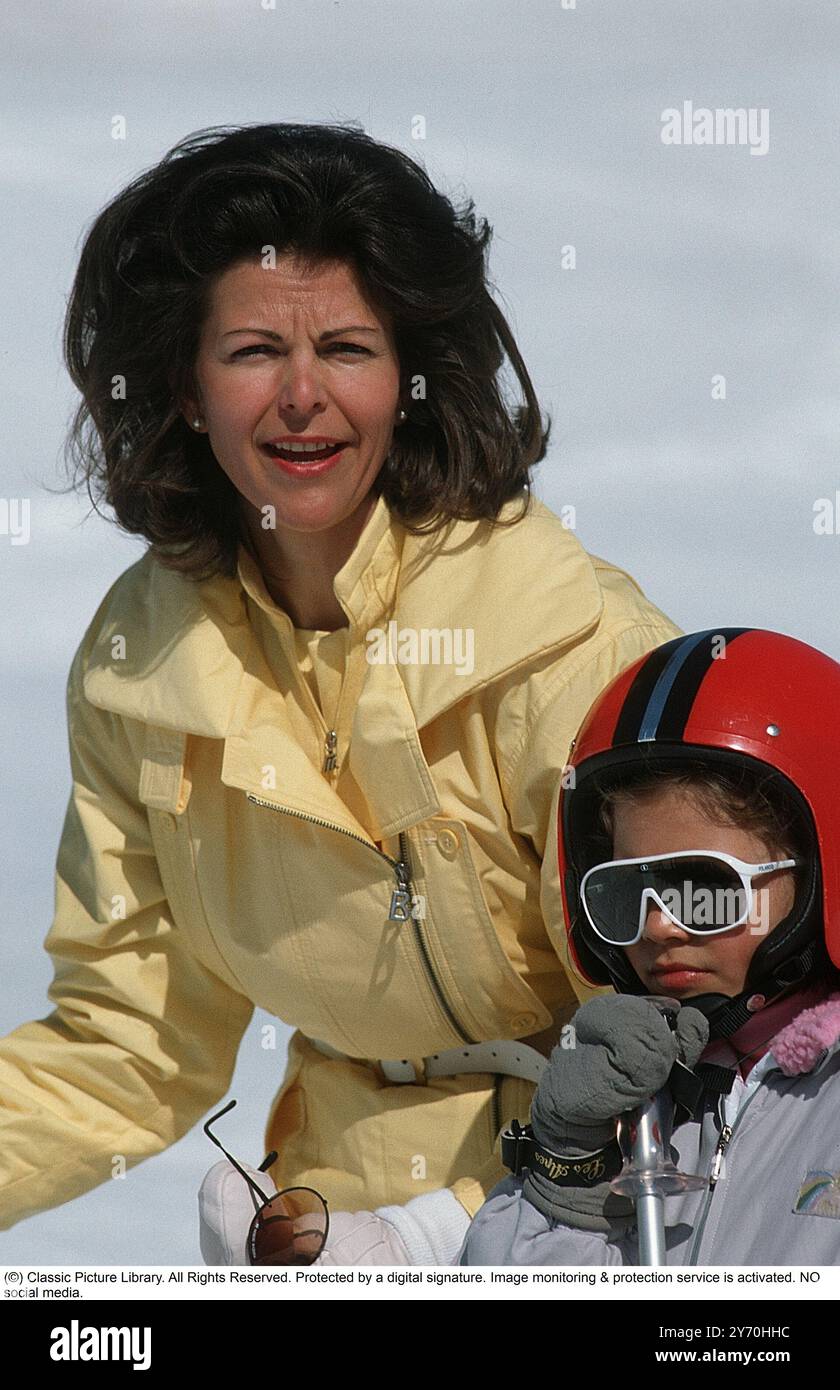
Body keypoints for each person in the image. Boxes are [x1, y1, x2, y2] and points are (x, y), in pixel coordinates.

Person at [0, 120, 680, 1265]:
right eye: (256, 349)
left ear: (410, 382)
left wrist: (435, 1237)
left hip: (608, 1207)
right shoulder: (137, 665)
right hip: (321, 1216)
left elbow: (685, 1032)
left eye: (351, 351)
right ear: (182, 385)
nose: (303, 396)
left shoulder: (567, 645)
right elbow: (132, 1042)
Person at [458, 627, 840, 1265]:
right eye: (623, 892)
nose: (660, 926)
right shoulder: (623, 1103)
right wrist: (565, 1183)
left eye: (703, 887)